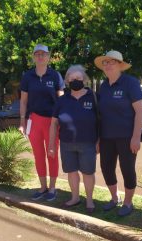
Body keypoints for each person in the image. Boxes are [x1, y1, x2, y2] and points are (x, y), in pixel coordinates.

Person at [94, 50, 142, 216]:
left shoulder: (130, 83)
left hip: (127, 137)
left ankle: (128, 202)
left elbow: (140, 111)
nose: (108, 65)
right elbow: (100, 115)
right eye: (105, 62)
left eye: (112, 62)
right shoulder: (103, 86)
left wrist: (136, 137)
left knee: (127, 169)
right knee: (106, 168)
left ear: (120, 65)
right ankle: (114, 198)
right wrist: (98, 139)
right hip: (107, 136)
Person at [48, 65, 98, 213]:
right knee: (71, 172)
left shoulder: (94, 97)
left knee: (88, 173)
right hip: (66, 144)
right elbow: (53, 124)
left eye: (79, 78)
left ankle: (89, 200)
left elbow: (101, 121)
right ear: (67, 81)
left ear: (85, 79)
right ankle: (75, 198)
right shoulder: (62, 100)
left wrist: (99, 141)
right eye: (72, 78)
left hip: (88, 143)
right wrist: (51, 145)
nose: (75, 80)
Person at [19, 44, 64, 201]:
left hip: (52, 122)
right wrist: (22, 122)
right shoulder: (27, 76)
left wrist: (62, 120)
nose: (40, 56)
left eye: (43, 54)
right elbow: (23, 101)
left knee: (51, 154)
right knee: (38, 155)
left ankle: (52, 188)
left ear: (48, 56)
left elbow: (61, 99)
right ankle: (43, 187)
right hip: (34, 120)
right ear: (33, 57)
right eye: (37, 54)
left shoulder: (55, 75)